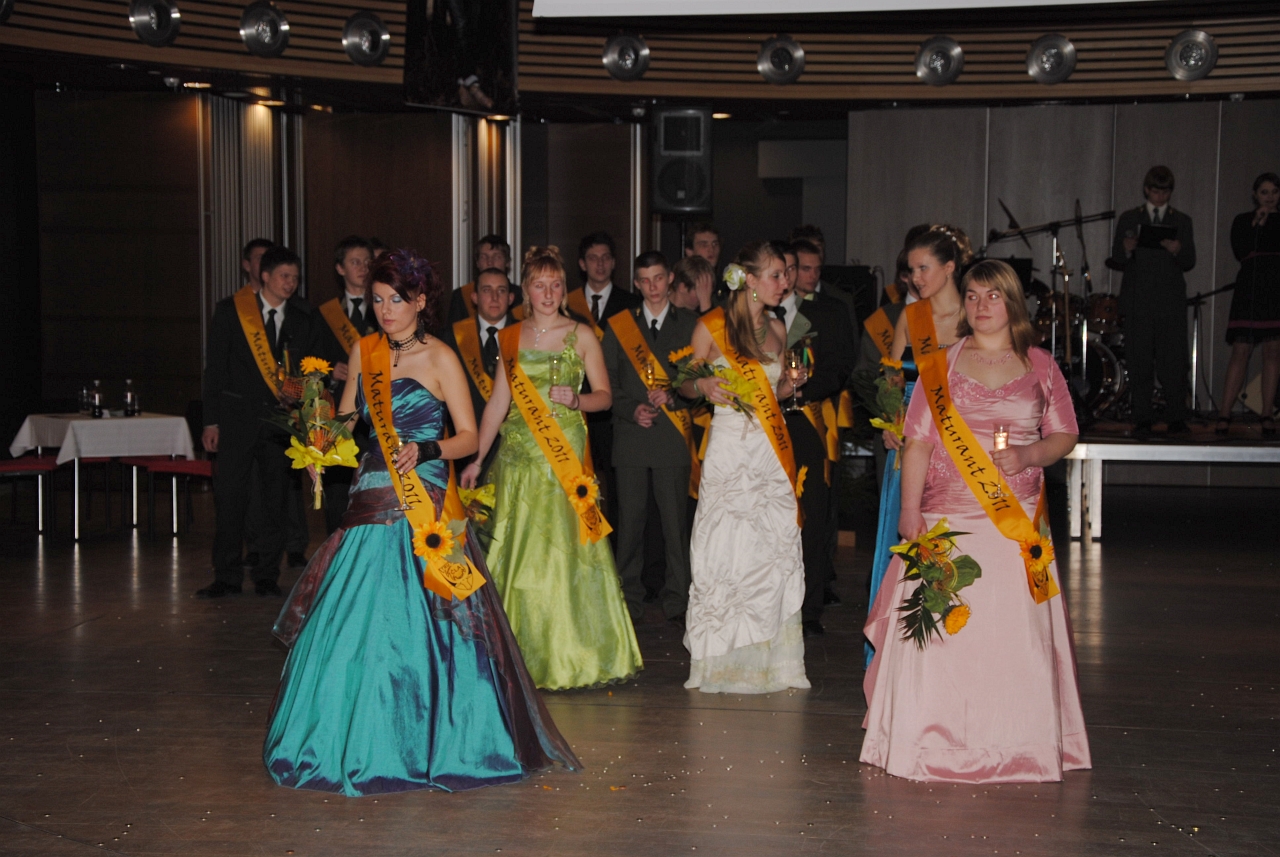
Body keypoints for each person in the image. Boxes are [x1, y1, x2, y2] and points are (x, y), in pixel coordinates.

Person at [264, 250, 580, 795]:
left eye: (396, 300)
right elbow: (347, 425)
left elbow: (468, 436)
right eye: (377, 300)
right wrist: (318, 443)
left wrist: (427, 447)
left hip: (424, 497)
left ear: (420, 301)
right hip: (371, 493)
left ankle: (444, 737)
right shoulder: (364, 352)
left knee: (428, 618)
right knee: (355, 619)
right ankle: (343, 740)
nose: (385, 310)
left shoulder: (440, 357)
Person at [861, 259, 1090, 783]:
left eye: (993, 295)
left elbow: (1066, 434)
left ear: (1012, 302)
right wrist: (909, 511)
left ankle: (1018, 744)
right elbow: (918, 442)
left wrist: (1029, 455)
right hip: (948, 519)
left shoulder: (1040, 365)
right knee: (942, 635)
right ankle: (927, 742)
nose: (981, 305)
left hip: (1015, 527)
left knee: (1013, 639)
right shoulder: (939, 365)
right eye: (972, 296)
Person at [461, 246, 642, 690]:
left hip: (564, 457)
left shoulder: (582, 334)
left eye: (555, 284)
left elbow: (605, 397)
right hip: (518, 458)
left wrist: (578, 400)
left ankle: (573, 652)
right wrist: (478, 458)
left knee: (566, 554)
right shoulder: (510, 337)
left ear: (564, 289)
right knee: (517, 552)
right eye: (539, 285)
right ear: (526, 289)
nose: (548, 292)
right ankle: (514, 655)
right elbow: (497, 404)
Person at [678, 240, 810, 694]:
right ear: (749, 280)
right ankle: (720, 660)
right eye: (776, 274)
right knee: (723, 547)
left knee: (771, 548)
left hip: (770, 451)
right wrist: (703, 386)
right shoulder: (712, 326)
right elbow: (684, 382)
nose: (784, 282)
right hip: (730, 449)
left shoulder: (777, 327)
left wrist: (791, 385)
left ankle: (773, 660)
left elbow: (776, 394)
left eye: (786, 274)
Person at [865, 225, 973, 666]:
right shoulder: (911, 318)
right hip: (912, 441)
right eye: (911, 270)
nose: (915, 278)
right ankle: (900, 656)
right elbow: (891, 378)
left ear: (950, 268)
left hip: (961, 442)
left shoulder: (974, 317)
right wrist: (890, 422)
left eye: (924, 268)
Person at [198, 246, 326, 598]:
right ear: (265, 276)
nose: (290, 283)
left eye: (295, 278)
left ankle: (267, 574)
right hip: (236, 420)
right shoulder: (232, 312)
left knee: (275, 500)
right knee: (230, 499)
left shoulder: (302, 318)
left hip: (280, 424)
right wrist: (211, 422)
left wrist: (298, 395)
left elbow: (310, 370)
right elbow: (215, 369)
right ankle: (226, 575)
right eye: (284, 276)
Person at [602, 251, 700, 624]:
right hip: (630, 435)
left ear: (670, 278)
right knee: (629, 525)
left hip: (672, 436)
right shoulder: (620, 325)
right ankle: (628, 599)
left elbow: (701, 378)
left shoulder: (689, 323)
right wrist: (631, 409)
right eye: (644, 280)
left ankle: (679, 599)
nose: (652, 286)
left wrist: (674, 395)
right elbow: (606, 381)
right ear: (636, 283)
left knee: (675, 526)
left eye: (658, 278)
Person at [778, 240, 856, 637]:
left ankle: (809, 607)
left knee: (811, 513)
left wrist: (801, 391)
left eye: (793, 269)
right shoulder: (753, 316)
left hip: (806, 419)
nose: (787, 277)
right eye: (780, 270)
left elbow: (840, 366)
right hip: (763, 425)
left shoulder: (827, 312)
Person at [1106, 165, 1196, 438]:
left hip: (1170, 301)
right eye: (1156, 191)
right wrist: (1126, 249)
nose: (1160, 197)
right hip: (1138, 300)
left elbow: (1189, 261)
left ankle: (1176, 417)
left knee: (1174, 361)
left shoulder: (1181, 220)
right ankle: (1142, 417)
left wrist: (1177, 250)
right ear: (1147, 190)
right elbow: (1116, 258)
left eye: (1165, 192)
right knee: (1139, 360)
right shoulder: (1130, 217)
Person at [567, 231, 641, 530]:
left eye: (606, 258)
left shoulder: (631, 303)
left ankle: (615, 545)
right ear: (582, 263)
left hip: (615, 409)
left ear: (614, 263)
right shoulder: (565, 304)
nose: (600, 264)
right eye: (593, 258)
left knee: (617, 486)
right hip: (574, 407)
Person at [315, 236, 378, 532]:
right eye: (355, 262)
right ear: (340, 269)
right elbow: (309, 365)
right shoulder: (324, 314)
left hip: (376, 417)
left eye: (368, 262)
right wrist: (330, 373)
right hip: (341, 411)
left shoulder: (383, 310)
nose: (363, 268)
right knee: (339, 496)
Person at [1217, 172, 1280, 436]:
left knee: (1273, 351)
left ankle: (1267, 413)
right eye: (1264, 192)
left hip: (1276, 288)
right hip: (1251, 287)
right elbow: (1240, 250)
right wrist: (1257, 222)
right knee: (1241, 350)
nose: (1269, 197)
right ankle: (1224, 413)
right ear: (1255, 195)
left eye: (1274, 192)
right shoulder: (1243, 220)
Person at [447, 234, 515, 324]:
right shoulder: (461, 295)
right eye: (484, 257)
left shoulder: (521, 295)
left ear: (507, 262)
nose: (490, 262)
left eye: (496, 257)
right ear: (477, 263)